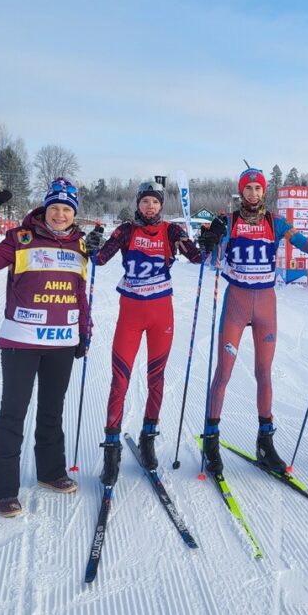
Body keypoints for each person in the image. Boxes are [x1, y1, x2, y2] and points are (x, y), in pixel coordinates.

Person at [199, 167, 308, 477]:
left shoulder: (276, 223)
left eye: (257, 188)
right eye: (248, 188)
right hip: (236, 303)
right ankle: (211, 442)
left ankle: (265, 443)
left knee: (264, 372)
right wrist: (207, 240)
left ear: (263, 191)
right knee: (223, 372)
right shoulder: (227, 221)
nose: (253, 193)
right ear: (241, 192)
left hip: (265, 305)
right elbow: (207, 256)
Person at [0, 179, 90, 517]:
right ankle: (5, 491)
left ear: (73, 213)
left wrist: (84, 332)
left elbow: (80, 294)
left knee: (52, 411)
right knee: (13, 414)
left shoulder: (80, 246)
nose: (61, 214)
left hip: (61, 343)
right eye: (55, 208)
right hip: (21, 341)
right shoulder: (21, 239)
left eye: (67, 209)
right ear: (45, 209)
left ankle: (51, 472)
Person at [85, 180, 207, 485]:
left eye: (154, 202)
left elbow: (197, 257)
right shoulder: (126, 230)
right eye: (145, 202)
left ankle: (148, 437)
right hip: (131, 311)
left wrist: (209, 241)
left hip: (160, 313)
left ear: (161, 205)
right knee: (120, 379)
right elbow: (99, 258)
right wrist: (92, 243)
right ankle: (111, 451)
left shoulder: (172, 231)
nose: (149, 207)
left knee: (157, 378)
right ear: (138, 204)